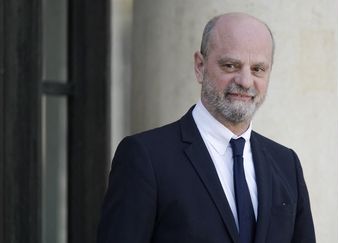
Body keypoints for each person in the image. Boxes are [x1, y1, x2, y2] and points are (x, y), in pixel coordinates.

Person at [98, 12, 315, 243]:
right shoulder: (145, 157)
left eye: (258, 69)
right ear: (200, 66)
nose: (245, 81)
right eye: (231, 65)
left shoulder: (286, 164)